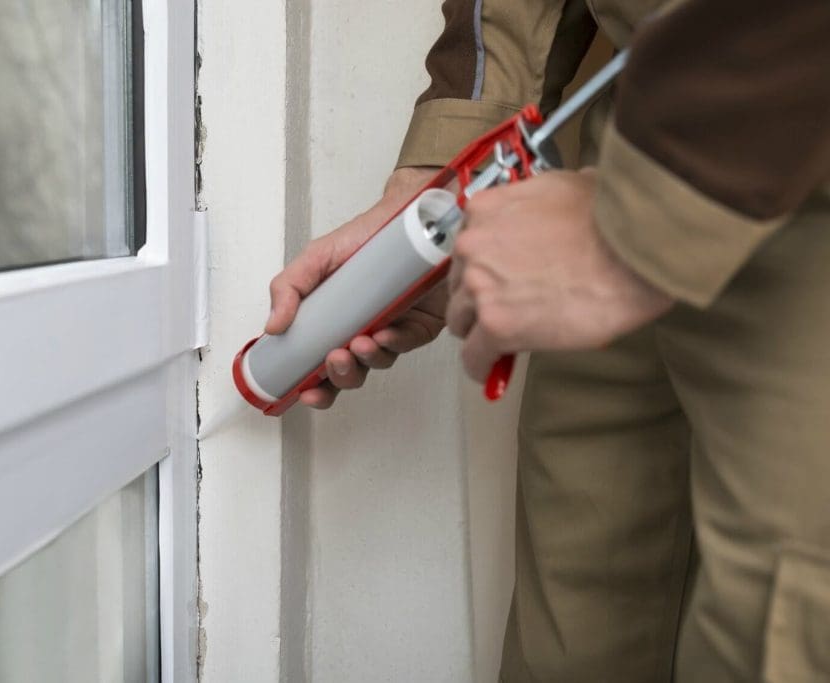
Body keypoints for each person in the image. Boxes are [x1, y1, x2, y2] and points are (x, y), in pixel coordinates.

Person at [266, 0, 830, 680]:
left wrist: (646, 217)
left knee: (776, 630)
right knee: (576, 622)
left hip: (795, 146)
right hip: (641, 134)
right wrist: (449, 174)